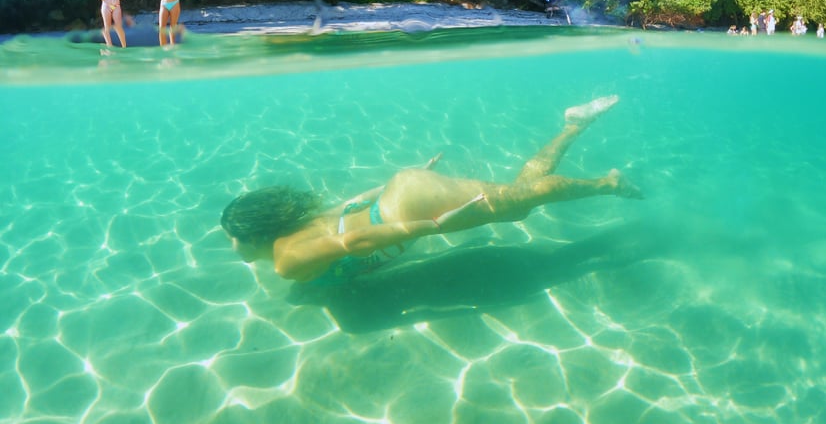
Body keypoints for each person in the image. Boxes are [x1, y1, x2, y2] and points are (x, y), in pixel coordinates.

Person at [221, 95, 641, 283]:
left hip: (409, 209)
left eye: (233, 237)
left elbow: (353, 242)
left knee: (520, 202)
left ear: (252, 234)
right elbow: (351, 205)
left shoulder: (286, 261)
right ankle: (574, 126)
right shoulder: (297, 231)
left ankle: (609, 183)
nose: (232, 245)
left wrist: (434, 225)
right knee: (519, 199)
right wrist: (406, 179)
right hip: (401, 194)